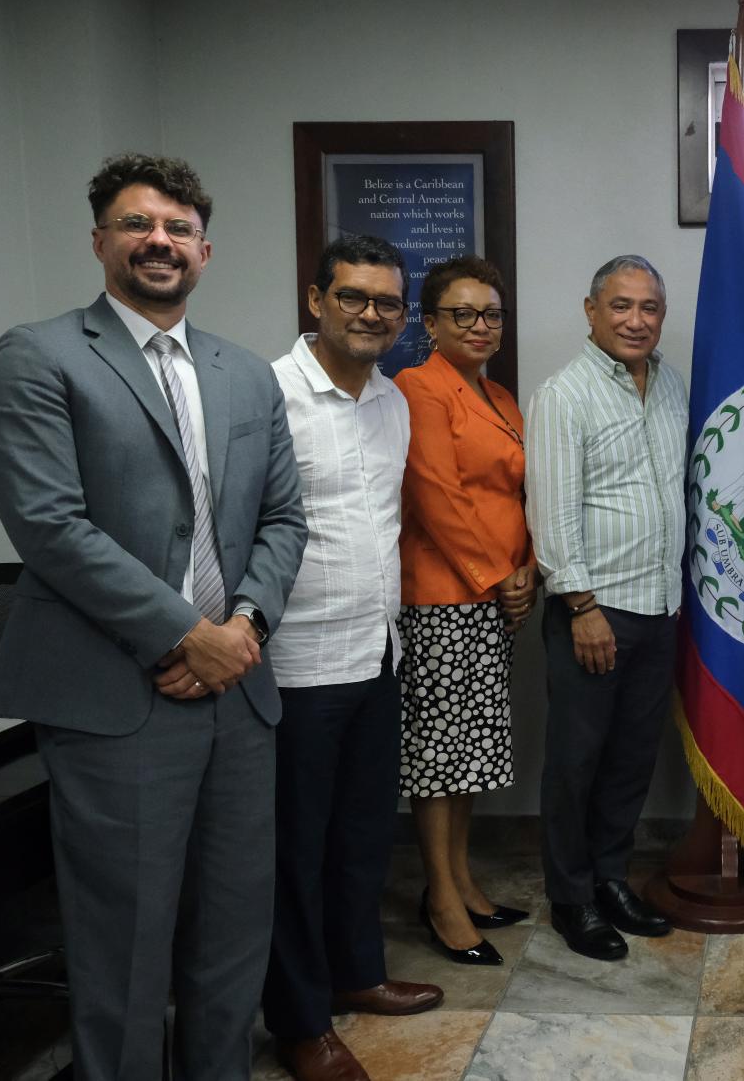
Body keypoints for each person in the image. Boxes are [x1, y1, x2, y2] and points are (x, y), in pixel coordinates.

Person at [0, 154, 306, 1080]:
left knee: (235, 929)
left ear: (205, 250)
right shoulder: (40, 356)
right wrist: (185, 634)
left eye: (177, 228)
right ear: (99, 242)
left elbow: (284, 518)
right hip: (118, 701)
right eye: (136, 224)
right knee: (124, 945)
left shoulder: (244, 372)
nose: (159, 240)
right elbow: (50, 525)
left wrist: (242, 631)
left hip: (239, 695)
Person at [263, 235, 441, 1081]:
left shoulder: (392, 402)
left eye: (388, 303)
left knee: (364, 834)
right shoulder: (266, 397)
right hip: (295, 662)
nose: (372, 314)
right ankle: (300, 1021)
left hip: (378, 652)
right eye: (354, 297)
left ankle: (357, 974)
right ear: (316, 300)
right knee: (294, 849)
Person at [525, 255, 687, 960]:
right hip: (598, 609)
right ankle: (572, 898)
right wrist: (581, 605)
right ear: (590, 312)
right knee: (576, 761)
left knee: (630, 758)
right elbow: (553, 513)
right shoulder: (564, 396)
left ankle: (612, 877)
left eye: (649, 307)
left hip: (661, 605)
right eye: (620, 306)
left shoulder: (673, 385)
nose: (636, 320)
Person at [395, 255, 535, 966]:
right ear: (430, 323)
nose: (481, 326)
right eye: (464, 314)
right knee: (440, 758)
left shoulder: (502, 397)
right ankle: (441, 898)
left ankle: (464, 881)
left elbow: (522, 497)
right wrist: (494, 576)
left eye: (492, 315)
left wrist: (527, 571)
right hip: (444, 599)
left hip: (496, 600)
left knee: (472, 753)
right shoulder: (418, 388)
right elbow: (433, 494)